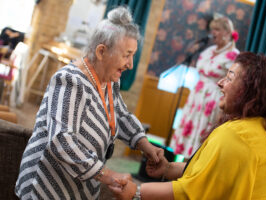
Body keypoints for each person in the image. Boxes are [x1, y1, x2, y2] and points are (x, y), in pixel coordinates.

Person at [15, 7, 164, 200]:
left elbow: (119, 115)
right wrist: (109, 175)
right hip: (46, 185)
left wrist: (146, 146)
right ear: (101, 51)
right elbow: (61, 141)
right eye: (126, 55)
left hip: (81, 184)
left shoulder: (109, 81)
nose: (130, 64)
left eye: (133, 55)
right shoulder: (70, 81)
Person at [109, 52, 266, 200]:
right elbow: (212, 174)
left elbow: (191, 193)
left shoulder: (236, 136)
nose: (220, 83)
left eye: (229, 78)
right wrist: (168, 169)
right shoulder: (261, 129)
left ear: (249, 89)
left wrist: (137, 193)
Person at [170, 16, 240, 158]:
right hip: (197, 95)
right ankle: (180, 168)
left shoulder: (233, 55)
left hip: (214, 97)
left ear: (227, 32)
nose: (213, 32)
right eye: (212, 29)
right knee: (190, 128)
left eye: (217, 29)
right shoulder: (208, 50)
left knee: (203, 130)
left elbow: (234, 81)